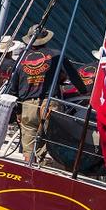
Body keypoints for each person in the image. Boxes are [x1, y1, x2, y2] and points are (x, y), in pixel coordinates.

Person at [9, 25, 88, 162]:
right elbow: (73, 76)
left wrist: (18, 111)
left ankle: (31, 167)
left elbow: (13, 85)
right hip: (50, 104)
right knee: (55, 139)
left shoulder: (22, 57)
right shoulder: (56, 54)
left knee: (28, 148)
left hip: (27, 106)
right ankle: (44, 159)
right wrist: (84, 92)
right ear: (46, 39)